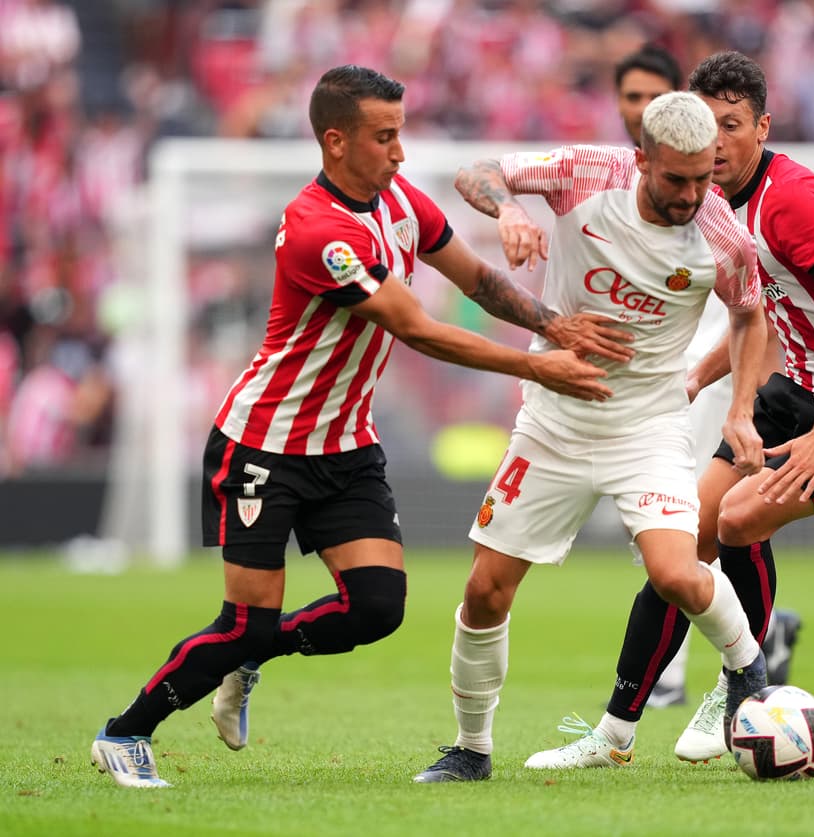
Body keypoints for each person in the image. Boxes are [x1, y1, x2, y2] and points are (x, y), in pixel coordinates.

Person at [89, 65, 630, 789]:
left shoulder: (400, 199)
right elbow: (416, 328)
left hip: (346, 444)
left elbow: (474, 279)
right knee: (244, 618)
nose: (400, 152)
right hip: (265, 445)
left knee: (377, 607)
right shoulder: (320, 232)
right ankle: (125, 733)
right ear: (336, 141)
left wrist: (553, 322)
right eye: (385, 136)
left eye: (400, 133)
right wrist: (538, 367)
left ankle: (248, 657)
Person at [535, 50, 814, 769]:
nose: (716, 140)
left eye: (732, 124)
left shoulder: (793, 201)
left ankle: (740, 686)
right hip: (803, 385)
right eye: (708, 123)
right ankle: (614, 732)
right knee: (684, 538)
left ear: (762, 127)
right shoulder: (715, 205)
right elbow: (763, 316)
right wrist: (698, 380)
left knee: (741, 517)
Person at [412, 91, 772, 783]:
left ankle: (747, 673)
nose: (692, 193)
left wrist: (741, 410)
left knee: (674, 573)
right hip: (554, 423)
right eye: (676, 179)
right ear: (640, 159)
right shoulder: (583, 172)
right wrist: (511, 209)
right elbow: (477, 171)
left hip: (648, 426)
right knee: (486, 590)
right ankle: (471, 748)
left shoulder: (723, 235)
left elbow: (750, 318)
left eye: (704, 178)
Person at [612, 43, 802, 710]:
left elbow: (763, 314)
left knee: (697, 519)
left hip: (739, 379)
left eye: (650, 97)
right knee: (699, 524)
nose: (639, 109)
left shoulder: (749, 199)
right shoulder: (645, 185)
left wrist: (719, 387)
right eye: (629, 99)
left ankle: (723, 670)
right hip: (685, 372)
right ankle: (755, 650)